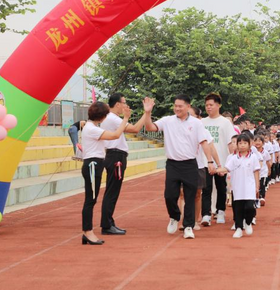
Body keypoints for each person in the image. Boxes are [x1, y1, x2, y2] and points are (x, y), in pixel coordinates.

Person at [143, 95, 215, 240]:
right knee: (170, 195)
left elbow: (204, 142)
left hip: (190, 164)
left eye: (180, 106)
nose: (177, 108)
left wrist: (210, 161)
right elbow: (150, 127)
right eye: (175, 105)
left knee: (190, 196)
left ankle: (188, 226)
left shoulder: (196, 123)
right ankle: (174, 216)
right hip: (172, 164)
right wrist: (147, 112)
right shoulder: (167, 120)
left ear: (188, 106)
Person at [100, 93, 150, 236]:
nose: (126, 105)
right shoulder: (113, 118)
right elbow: (134, 129)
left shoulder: (110, 118)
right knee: (112, 192)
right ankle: (106, 224)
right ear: (117, 104)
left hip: (115, 155)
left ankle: (108, 222)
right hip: (115, 156)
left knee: (112, 191)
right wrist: (146, 113)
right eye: (124, 102)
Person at [80, 101, 130, 245]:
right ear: (102, 116)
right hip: (92, 165)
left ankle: (87, 232)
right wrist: (125, 119)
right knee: (90, 200)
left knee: (92, 199)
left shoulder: (92, 127)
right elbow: (115, 135)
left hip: (95, 164)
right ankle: (87, 231)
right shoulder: (92, 129)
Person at [201, 93, 237, 226]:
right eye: (206, 105)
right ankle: (206, 214)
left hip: (221, 160)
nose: (208, 107)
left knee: (221, 187)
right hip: (205, 161)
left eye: (211, 105)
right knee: (206, 188)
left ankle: (220, 211)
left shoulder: (225, 123)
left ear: (218, 105)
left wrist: (231, 161)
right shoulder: (202, 122)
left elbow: (230, 143)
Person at [216, 133, 260, 238]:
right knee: (238, 209)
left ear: (250, 145)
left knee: (250, 207)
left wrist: (257, 186)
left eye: (245, 143)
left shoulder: (253, 157)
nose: (242, 145)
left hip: (249, 186)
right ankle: (239, 228)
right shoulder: (234, 158)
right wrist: (216, 170)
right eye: (240, 143)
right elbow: (227, 169)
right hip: (237, 187)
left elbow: (256, 172)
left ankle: (248, 222)